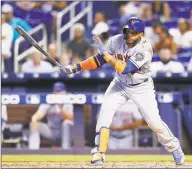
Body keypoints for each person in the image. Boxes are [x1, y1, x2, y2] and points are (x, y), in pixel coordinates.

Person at [61, 17, 185, 165]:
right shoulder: (115, 41)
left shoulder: (144, 49)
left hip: (141, 87)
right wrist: (76, 67)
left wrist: (105, 54)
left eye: (134, 32)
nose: (130, 35)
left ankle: (174, 146)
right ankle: (99, 153)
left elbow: (125, 69)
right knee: (105, 113)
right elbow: (98, 61)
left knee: (154, 123)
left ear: (141, 34)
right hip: (119, 84)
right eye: (128, 31)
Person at [28, 82, 74, 149]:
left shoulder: (69, 100)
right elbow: (39, 114)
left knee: (66, 122)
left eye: (60, 91)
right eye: (56, 91)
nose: (58, 93)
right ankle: (33, 151)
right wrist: (34, 119)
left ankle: (65, 149)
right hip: (51, 131)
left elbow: (70, 118)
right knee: (33, 124)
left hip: (66, 133)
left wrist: (61, 107)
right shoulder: (49, 100)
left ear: (65, 92)